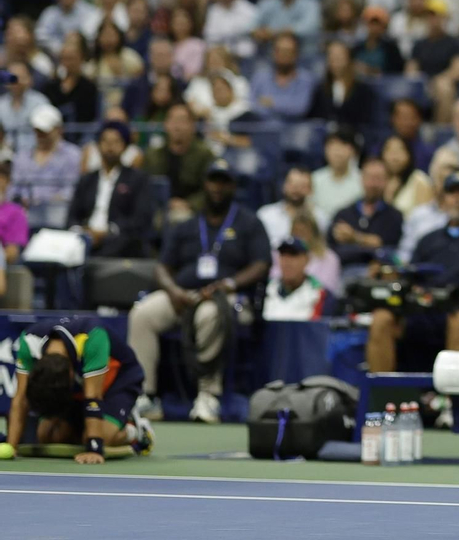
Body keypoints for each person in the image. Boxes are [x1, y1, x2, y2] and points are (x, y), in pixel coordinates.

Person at [130, 159, 270, 424]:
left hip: (225, 296)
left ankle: (208, 395)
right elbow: (162, 266)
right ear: (205, 185)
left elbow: (261, 264)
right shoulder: (188, 225)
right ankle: (145, 395)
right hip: (183, 295)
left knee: (209, 315)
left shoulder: (249, 222)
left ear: (232, 186)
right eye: (213, 181)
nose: (217, 187)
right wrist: (172, 290)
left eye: (223, 182)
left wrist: (229, 284)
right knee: (142, 314)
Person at [367, 172, 459, 373]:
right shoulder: (428, 239)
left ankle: (458, 397)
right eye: (451, 193)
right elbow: (411, 275)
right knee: (382, 318)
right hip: (424, 307)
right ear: (443, 200)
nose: (457, 198)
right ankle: (382, 392)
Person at [6, 315, 152, 463]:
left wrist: (94, 449)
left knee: (104, 438)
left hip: (119, 380)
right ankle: (84, 429)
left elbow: (93, 398)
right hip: (80, 383)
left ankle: (135, 431)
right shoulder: (29, 340)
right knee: (49, 436)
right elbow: (20, 398)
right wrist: (12, 446)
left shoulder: (92, 337)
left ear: (71, 375)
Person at [67, 120, 152, 258]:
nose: (110, 147)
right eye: (105, 141)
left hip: (117, 238)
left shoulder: (137, 179)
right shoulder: (87, 179)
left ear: (124, 146)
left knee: (122, 243)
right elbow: (72, 215)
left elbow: (140, 218)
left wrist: (108, 231)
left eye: (116, 142)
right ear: (98, 145)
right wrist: (81, 231)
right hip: (85, 237)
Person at [330, 157, 404, 265]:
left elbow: (387, 248)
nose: (373, 184)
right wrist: (369, 243)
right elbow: (332, 249)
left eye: (378, 178)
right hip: (344, 271)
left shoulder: (395, 216)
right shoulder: (343, 214)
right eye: (370, 177)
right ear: (361, 179)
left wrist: (354, 237)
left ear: (387, 181)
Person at [262, 237, 333, 322]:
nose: (287, 262)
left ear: (306, 259)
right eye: (283, 255)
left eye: (293, 255)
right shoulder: (265, 289)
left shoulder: (322, 295)